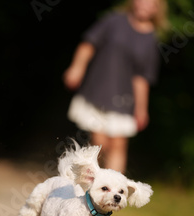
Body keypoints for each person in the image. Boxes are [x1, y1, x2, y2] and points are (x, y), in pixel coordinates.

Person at [63, 0, 168, 173]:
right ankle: (90, 184)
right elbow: (88, 44)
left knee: (118, 145)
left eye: (151, 3)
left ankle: (114, 193)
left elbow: (141, 78)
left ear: (157, 9)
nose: (145, 5)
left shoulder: (151, 39)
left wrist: (141, 108)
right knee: (100, 143)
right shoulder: (114, 21)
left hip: (124, 99)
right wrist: (77, 67)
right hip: (99, 89)